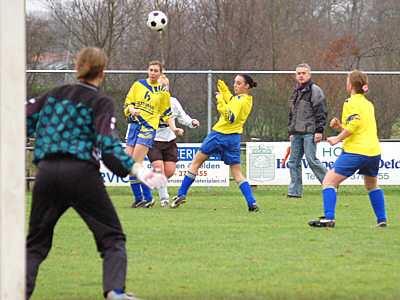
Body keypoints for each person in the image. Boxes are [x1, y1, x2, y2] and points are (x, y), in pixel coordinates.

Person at [26, 47, 166, 300]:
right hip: (81, 174)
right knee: (112, 238)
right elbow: (108, 145)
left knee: (35, 244)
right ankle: (115, 291)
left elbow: (18, 120)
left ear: (77, 67)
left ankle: (17, 292)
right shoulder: (100, 102)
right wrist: (140, 171)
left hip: (46, 173)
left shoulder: (52, 96)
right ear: (102, 72)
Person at [309, 70, 387, 228]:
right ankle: (382, 219)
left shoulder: (350, 102)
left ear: (350, 85)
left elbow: (354, 125)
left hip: (356, 151)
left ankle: (329, 218)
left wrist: (337, 138)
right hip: (373, 151)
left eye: (347, 81)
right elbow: (358, 127)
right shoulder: (367, 103)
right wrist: (340, 127)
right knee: (372, 185)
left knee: (329, 181)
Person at [170, 75, 259, 212]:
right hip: (234, 138)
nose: (235, 85)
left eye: (239, 83)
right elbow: (233, 102)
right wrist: (224, 92)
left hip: (218, 135)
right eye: (235, 82)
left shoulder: (239, 101)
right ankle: (251, 202)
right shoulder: (246, 100)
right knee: (236, 172)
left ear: (246, 86)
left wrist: (219, 101)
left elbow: (230, 116)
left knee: (196, 163)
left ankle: (181, 194)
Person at [123, 61, 183, 208]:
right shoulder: (138, 85)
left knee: (135, 164)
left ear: (160, 73)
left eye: (156, 70)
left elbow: (167, 114)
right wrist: (132, 110)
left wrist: (174, 128)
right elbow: (128, 102)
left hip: (148, 129)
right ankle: (139, 198)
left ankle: (148, 197)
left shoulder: (163, 92)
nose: (153, 72)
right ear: (147, 71)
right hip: (133, 127)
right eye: (151, 70)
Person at [147, 74, 200, 207]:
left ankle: (153, 181)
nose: (164, 89)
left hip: (169, 141)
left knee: (169, 171)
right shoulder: (149, 102)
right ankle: (164, 199)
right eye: (160, 86)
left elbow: (182, 117)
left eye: (166, 86)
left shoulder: (173, 102)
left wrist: (191, 122)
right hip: (153, 141)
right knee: (159, 169)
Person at [287, 63, 328, 198]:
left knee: (311, 160)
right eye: (298, 73)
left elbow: (321, 111)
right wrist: (291, 132)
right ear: (295, 76)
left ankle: (330, 183)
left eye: (304, 73)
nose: (301, 75)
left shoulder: (315, 90)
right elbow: (292, 114)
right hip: (296, 133)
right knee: (293, 162)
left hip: (310, 132)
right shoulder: (296, 92)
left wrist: (319, 131)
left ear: (309, 74)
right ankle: (294, 192)